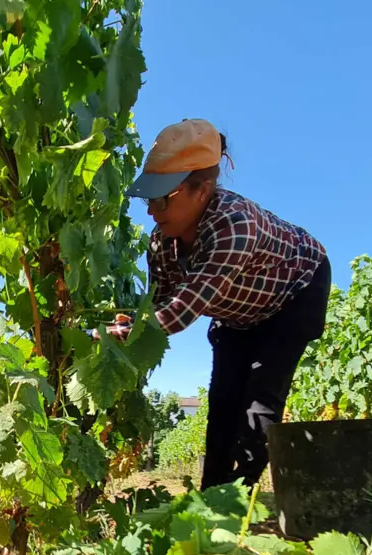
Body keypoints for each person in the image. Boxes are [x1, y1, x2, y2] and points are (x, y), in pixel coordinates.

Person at [120, 119, 331, 490]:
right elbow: (160, 305)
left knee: (260, 405)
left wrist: (125, 332)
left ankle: (237, 498)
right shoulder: (161, 243)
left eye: (162, 198)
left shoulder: (234, 224)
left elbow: (179, 311)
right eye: (148, 199)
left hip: (295, 293)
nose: (152, 210)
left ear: (202, 190)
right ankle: (212, 497)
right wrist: (131, 323)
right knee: (222, 403)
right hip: (238, 315)